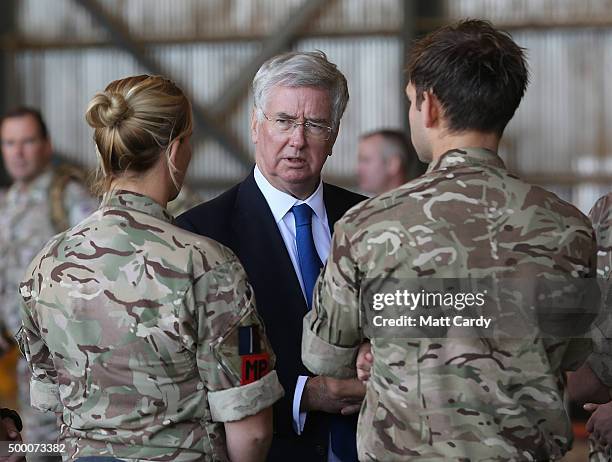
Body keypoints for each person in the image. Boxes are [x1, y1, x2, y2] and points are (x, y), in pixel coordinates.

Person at [301, 20, 598, 460]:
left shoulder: (367, 225)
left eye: (410, 101)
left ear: (430, 107)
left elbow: (325, 358)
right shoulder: (568, 228)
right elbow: (572, 353)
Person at [16, 74, 283, 461]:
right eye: (189, 142)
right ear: (175, 151)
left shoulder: (44, 266)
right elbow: (252, 430)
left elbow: (49, 400)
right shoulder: (209, 266)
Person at [177, 51, 365, 461]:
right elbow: (195, 373)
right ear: (255, 125)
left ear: (334, 135)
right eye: (283, 121)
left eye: (314, 124)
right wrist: (302, 394)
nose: (297, 140)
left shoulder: (368, 220)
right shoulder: (202, 234)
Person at [0, 107, 97, 456]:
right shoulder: (7, 203)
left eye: (27, 141)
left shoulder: (67, 196)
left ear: (46, 146)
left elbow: (97, 261)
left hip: (68, 362)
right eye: (10, 143)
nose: (18, 152)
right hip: (27, 364)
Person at [356, 129, 425, 195]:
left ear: (393, 164)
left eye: (366, 160)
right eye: (360, 161)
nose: (358, 169)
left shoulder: (415, 205)